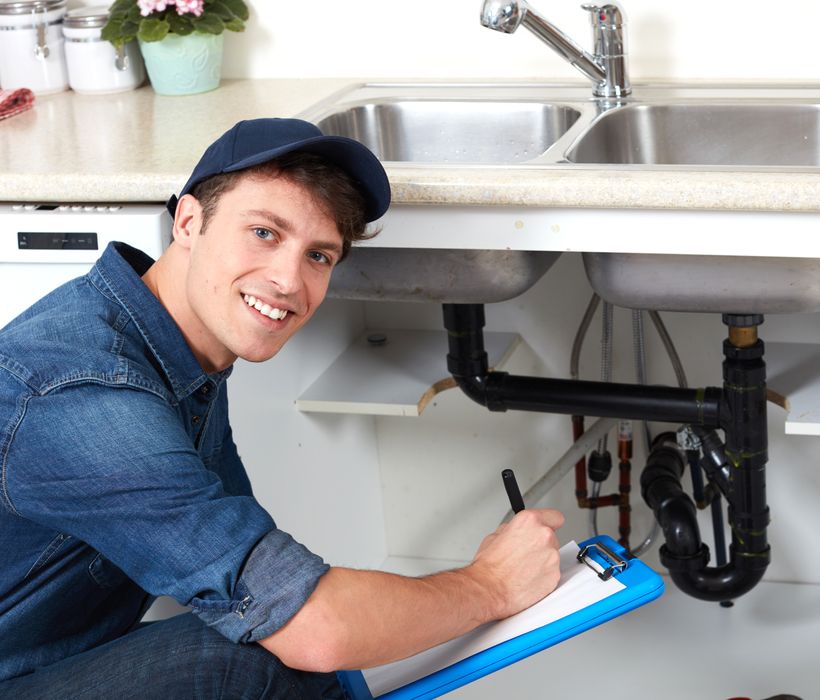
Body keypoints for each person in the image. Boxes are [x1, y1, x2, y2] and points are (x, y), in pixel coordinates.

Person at [0, 118, 564, 698]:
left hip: (49, 659)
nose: (289, 280)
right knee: (254, 660)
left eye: (319, 256)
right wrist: (488, 587)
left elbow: (264, 585)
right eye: (265, 233)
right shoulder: (84, 393)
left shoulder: (177, 351)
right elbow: (308, 626)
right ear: (189, 221)